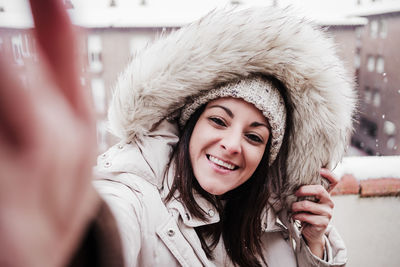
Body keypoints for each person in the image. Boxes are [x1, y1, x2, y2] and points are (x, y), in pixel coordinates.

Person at [0, 1, 355, 267]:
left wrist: (314, 244)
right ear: (189, 125)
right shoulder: (137, 197)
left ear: (267, 156)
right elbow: (115, 225)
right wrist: (77, 238)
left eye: (254, 137)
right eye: (218, 120)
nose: (232, 145)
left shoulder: (273, 219)